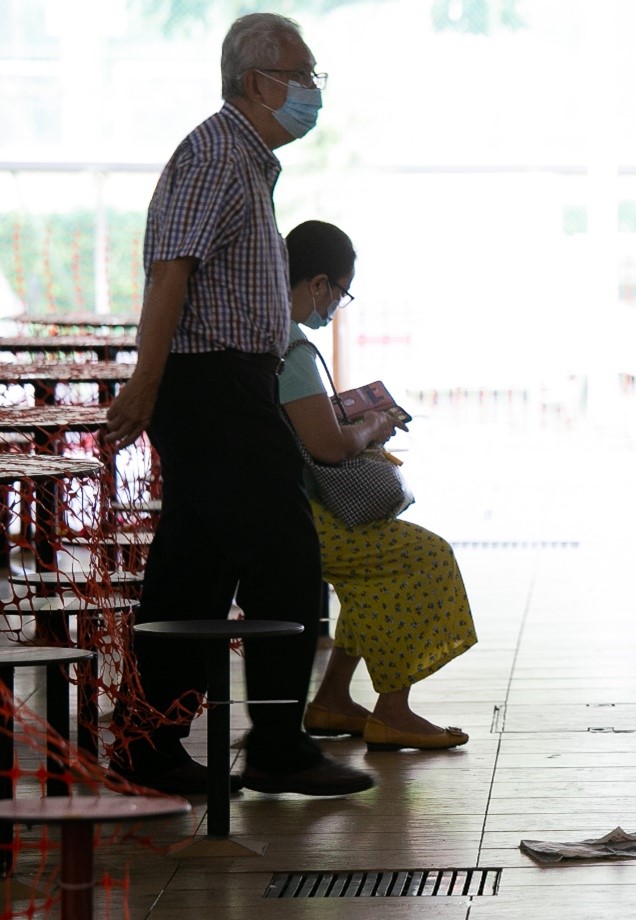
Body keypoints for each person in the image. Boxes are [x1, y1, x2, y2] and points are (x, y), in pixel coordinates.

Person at [103, 14, 373, 796]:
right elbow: (169, 273)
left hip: (230, 382)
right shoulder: (218, 154)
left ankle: (148, 745)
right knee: (287, 554)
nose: (312, 92)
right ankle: (279, 745)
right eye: (302, 74)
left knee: (192, 571)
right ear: (258, 82)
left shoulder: (247, 162)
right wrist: (145, 386)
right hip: (209, 385)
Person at [276, 220, 478, 752]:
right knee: (423, 557)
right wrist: (374, 425)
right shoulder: (290, 350)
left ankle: (334, 699)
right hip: (301, 518)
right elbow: (328, 446)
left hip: (286, 506)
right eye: (339, 292)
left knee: (372, 579)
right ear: (318, 284)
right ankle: (393, 710)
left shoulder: (267, 334)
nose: (335, 305)